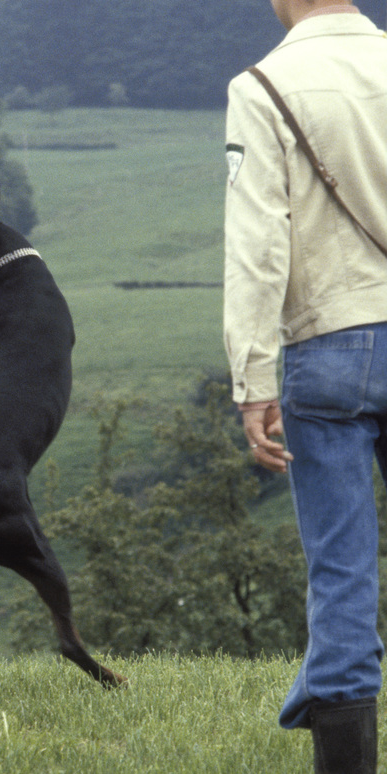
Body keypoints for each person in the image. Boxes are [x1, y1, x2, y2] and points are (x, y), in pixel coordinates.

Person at [223, 2, 387, 770]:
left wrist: (253, 378)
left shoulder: (264, 84)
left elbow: (259, 244)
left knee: (343, 577)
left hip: (331, 350)